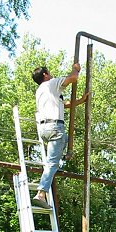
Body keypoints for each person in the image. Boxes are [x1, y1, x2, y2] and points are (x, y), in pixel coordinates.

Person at [30, 63, 89, 209]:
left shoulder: (41, 91)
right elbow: (73, 78)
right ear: (45, 75)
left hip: (44, 129)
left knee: (66, 140)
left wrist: (81, 100)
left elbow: (64, 104)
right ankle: (41, 193)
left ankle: (66, 154)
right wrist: (76, 68)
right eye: (49, 72)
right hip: (55, 126)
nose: (51, 74)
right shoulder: (51, 83)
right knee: (52, 163)